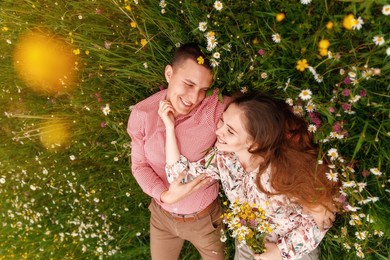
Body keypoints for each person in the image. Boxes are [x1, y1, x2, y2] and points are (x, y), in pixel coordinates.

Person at [158, 94, 341, 260]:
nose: (218, 131)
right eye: (222, 121)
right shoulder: (224, 157)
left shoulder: (281, 174)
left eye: (230, 131)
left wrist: (280, 251)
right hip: (251, 239)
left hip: (293, 247)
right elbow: (179, 177)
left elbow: (319, 224)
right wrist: (169, 127)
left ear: (254, 143)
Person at [127, 42, 231, 260]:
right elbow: (139, 166)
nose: (194, 98)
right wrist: (164, 195)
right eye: (188, 84)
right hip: (162, 218)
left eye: (202, 89)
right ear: (169, 73)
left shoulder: (214, 107)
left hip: (203, 220)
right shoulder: (142, 113)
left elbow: (259, 115)